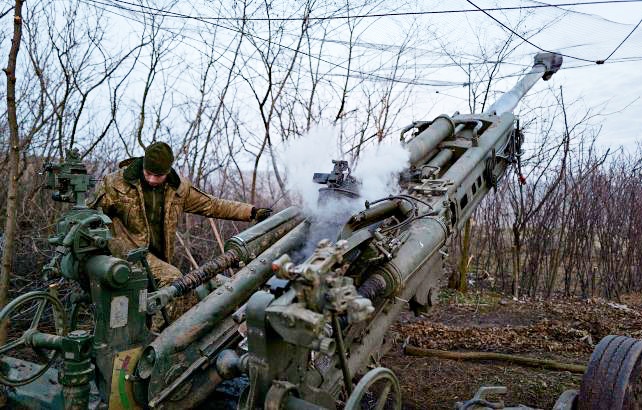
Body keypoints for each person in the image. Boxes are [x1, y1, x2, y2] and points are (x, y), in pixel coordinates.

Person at [88, 142, 271, 319]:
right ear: (143, 165)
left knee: (184, 297)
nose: (152, 179)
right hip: (128, 252)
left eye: (158, 175)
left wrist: (251, 212)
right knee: (173, 280)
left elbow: (212, 205)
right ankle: (157, 341)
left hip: (159, 256)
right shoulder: (116, 184)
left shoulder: (179, 189)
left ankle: (167, 330)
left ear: (168, 172)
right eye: (148, 173)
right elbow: (89, 215)